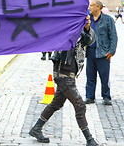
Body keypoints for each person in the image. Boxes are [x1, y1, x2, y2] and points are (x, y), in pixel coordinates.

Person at [29, 16, 99, 146]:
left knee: (57, 103)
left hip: (69, 74)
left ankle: (36, 128)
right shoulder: (66, 29)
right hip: (63, 74)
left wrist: (87, 27)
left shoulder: (80, 31)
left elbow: (89, 41)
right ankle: (89, 139)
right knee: (80, 105)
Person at [85, 0, 117, 106]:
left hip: (103, 53)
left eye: (92, 5)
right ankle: (89, 96)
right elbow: (84, 33)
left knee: (104, 76)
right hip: (90, 51)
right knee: (90, 76)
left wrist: (111, 51)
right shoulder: (88, 19)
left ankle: (106, 96)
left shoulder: (108, 20)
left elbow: (113, 36)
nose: (90, 7)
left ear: (98, 7)